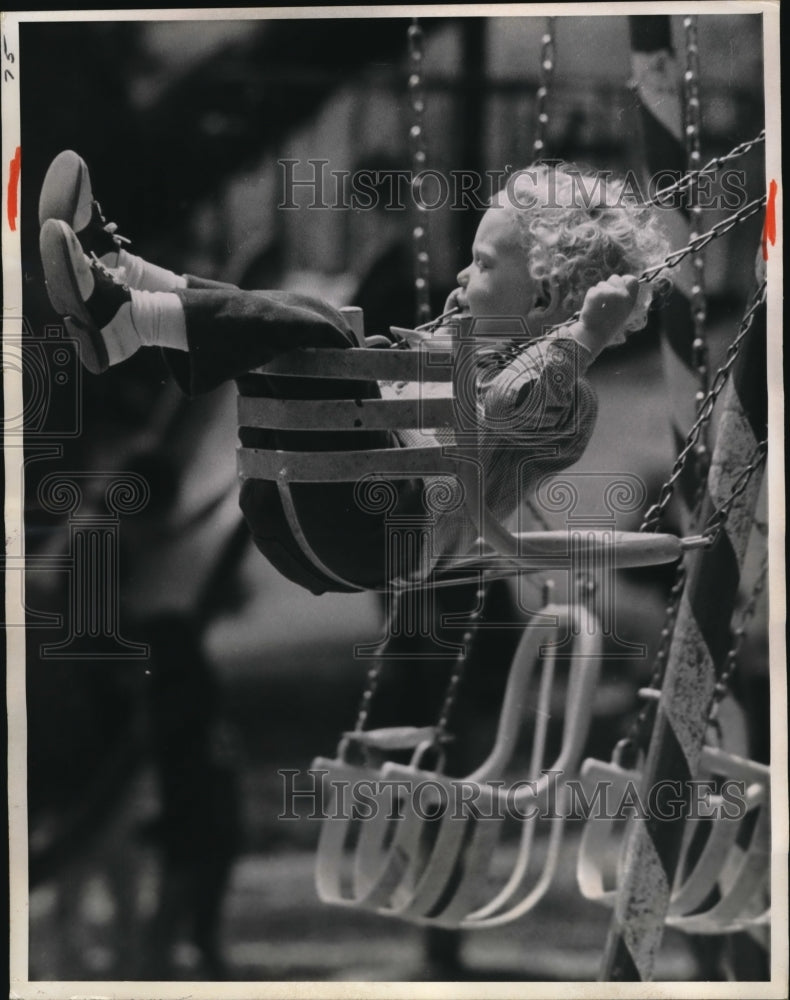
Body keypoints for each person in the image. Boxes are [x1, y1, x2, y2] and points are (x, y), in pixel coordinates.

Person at [38, 151, 669, 595]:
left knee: (316, 323)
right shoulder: (475, 350)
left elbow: (514, 404)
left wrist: (584, 337)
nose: (460, 277)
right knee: (285, 330)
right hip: (315, 506)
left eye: (479, 265)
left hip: (369, 531)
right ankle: (123, 276)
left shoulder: (567, 404)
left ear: (541, 299)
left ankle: (129, 315)